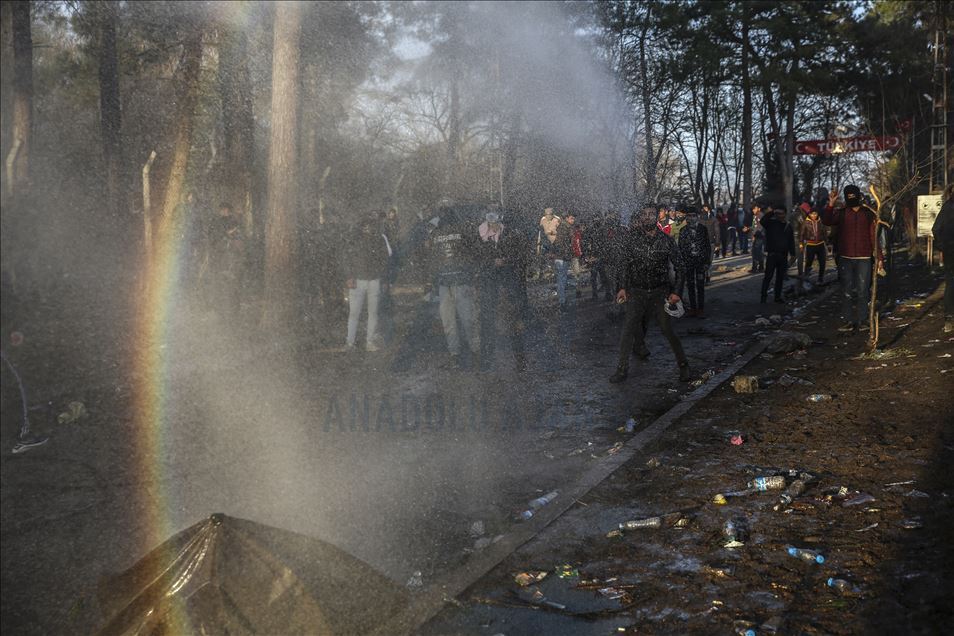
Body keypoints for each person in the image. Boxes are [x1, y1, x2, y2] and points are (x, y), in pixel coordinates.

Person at [610, 206, 691, 384]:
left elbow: (681, 267)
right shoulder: (631, 239)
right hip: (636, 291)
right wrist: (621, 287)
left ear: (656, 217)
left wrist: (676, 292)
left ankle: (684, 366)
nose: (648, 217)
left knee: (667, 329)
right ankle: (621, 370)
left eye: (651, 214)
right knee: (628, 330)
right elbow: (623, 265)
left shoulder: (666, 240)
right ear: (640, 218)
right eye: (644, 215)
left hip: (659, 291)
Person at [475, 209, 531, 371]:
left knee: (513, 323)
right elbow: (477, 259)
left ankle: (520, 360)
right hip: (489, 287)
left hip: (508, 287)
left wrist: (506, 261)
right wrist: (492, 263)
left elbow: (520, 257)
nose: (494, 225)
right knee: (488, 324)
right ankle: (487, 360)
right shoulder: (480, 237)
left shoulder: (510, 235)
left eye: (496, 222)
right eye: (491, 222)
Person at [822, 184, 881, 333]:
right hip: (845, 257)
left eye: (853, 195)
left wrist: (879, 257)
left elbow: (874, 236)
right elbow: (827, 221)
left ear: (859, 196)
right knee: (846, 291)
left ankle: (862, 320)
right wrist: (831, 203)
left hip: (864, 257)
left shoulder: (868, 214)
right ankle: (847, 321)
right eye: (848, 195)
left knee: (863, 291)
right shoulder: (841, 213)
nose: (851, 198)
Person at [427, 205, 479, 367]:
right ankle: (469, 353)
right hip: (453, 283)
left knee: (456, 321)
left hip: (454, 283)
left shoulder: (440, 233)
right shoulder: (458, 231)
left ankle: (463, 353)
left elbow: (432, 260)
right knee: (463, 320)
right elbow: (471, 254)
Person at [343, 214, 389, 351]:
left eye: (370, 226)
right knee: (355, 313)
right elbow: (346, 258)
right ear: (361, 227)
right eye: (365, 226)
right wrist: (349, 276)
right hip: (358, 280)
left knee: (371, 313)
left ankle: (368, 342)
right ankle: (350, 343)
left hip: (373, 280)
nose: (367, 228)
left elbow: (384, 260)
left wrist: (384, 279)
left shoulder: (379, 239)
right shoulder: (354, 239)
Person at [205, 201, 244, 317]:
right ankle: (219, 309)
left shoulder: (234, 221)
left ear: (229, 210)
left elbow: (239, 237)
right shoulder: (215, 222)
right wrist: (225, 234)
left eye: (226, 209)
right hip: (219, 257)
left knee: (232, 284)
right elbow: (212, 236)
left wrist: (232, 237)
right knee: (219, 283)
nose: (224, 211)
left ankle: (233, 310)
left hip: (232, 257)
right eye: (222, 209)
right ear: (219, 210)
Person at [677, 207, 712, 317]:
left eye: (693, 216)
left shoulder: (703, 229)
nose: (691, 218)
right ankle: (693, 308)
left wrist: (707, 262)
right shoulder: (683, 230)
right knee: (690, 285)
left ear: (697, 217)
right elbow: (681, 247)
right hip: (688, 262)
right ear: (686, 217)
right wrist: (682, 262)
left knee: (700, 285)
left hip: (700, 262)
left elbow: (707, 246)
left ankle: (700, 309)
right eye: (689, 216)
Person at [759, 205, 796, 304]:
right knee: (768, 277)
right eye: (778, 213)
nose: (779, 215)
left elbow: (791, 241)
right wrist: (772, 212)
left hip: (783, 255)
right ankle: (763, 297)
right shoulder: (771, 223)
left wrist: (793, 254)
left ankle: (777, 297)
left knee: (780, 278)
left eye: (781, 213)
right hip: (772, 254)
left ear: (785, 214)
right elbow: (762, 221)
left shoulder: (788, 226)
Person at [931, 184, 954, 333]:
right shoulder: (947, 208)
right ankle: (949, 318)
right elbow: (936, 229)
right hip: (951, 250)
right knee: (951, 283)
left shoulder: (947, 207)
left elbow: (936, 229)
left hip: (949, 249)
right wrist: (943, 247)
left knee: (951, 283)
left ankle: (949, 318)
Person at [551, 212, 576, 309]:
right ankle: (562, 302)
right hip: (562, 257)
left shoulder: (562, 227)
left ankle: (562, 300)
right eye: (571, 218)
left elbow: (557, 242)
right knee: (562, 279)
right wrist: (566, 254)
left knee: (561, 279)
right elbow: (562, 243)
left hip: (560, 257)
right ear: (566, 218)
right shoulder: (565, 228)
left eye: (573, 219)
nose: (573, 221)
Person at [800, 206, 828, 284]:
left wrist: (827, 242)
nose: (814, 215)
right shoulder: (805, 222)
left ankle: (820, 279)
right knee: (809, 262)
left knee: (822, 262)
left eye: (815, 214)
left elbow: (824, 232)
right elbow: (801, 234)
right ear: (809, 214)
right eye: (812, 214)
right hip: (810, 245)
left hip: (820, 244)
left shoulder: (821, 222)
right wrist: (801, 244)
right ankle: (806, 278)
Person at [750, 205, 765, 273]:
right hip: (755, 236)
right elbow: (754, 226)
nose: (753, 210)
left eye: (754, 209)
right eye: (753, 209)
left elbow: (761, 227)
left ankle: (758, 267)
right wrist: (749, 229)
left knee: (757, 252)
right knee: (756, 252)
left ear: (758, 208)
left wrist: (755, 234)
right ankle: (758, 267)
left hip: (759, 236)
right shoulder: (754, 216)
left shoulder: (761, 215)